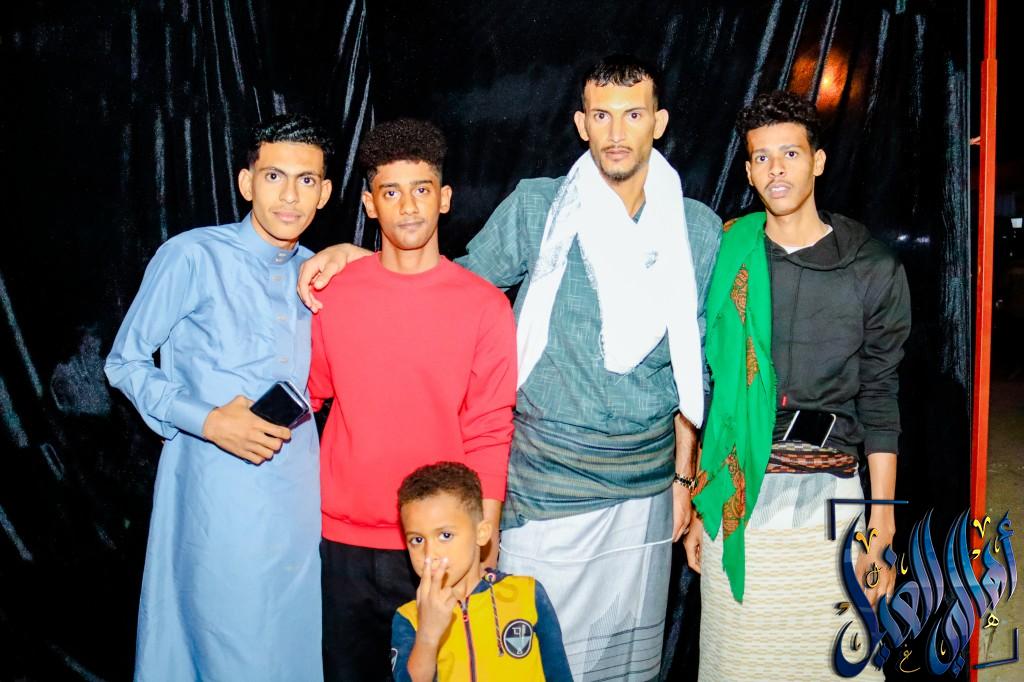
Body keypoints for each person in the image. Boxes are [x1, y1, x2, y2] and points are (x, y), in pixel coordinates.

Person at [298, 55, 722, 681]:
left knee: (626, 663)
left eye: (633, 115)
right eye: (601, 115)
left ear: (658, 123)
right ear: (581, 123)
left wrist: (684, 478)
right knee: (523, 657)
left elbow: (695, 367)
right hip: (545, 485)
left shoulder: (697, 229)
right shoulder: (539, 208)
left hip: (646, 486)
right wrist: (364, 258)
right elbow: (451, 281)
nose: (616, 132)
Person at [685, 91, 911, 681]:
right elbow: (704, 386)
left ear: (819, 161)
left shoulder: (872, 268)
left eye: (790, 153)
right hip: (736, 497)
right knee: (737, 663)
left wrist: (881, 524)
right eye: (761, 157)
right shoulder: (728, 258)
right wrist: (696, 498)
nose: (776, 169)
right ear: (748, 170)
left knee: (836, 661)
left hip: (831, 502)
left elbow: (880, 397)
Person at [105, 114, 333, 680]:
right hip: (214, 491)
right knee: (221, 646)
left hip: (298, 496)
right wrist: (206, 419)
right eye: (274, 176)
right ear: (246, 182)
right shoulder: (192, 255)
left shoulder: (320, 273)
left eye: (306, 180)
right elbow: (123, 362)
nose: (290, 195)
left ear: (325, 192)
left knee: (293, 649)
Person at [308, 118, 517, 681]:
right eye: (391, 191)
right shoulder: (333, 295)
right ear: (370, 205)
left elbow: (491, 428)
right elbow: (307, 396)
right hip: (343, 540)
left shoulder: (484, 306)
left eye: (421, 189)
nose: (407, 206)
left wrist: (483, 539)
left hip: (439, 544)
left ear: (444, 198)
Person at [391, 462, 572, 681]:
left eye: (445, 535)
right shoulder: (409, 617)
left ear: (482, 533)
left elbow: (559, 674)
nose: (430, 553)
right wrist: (427, 636)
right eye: (417, 540)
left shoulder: (527, 594)